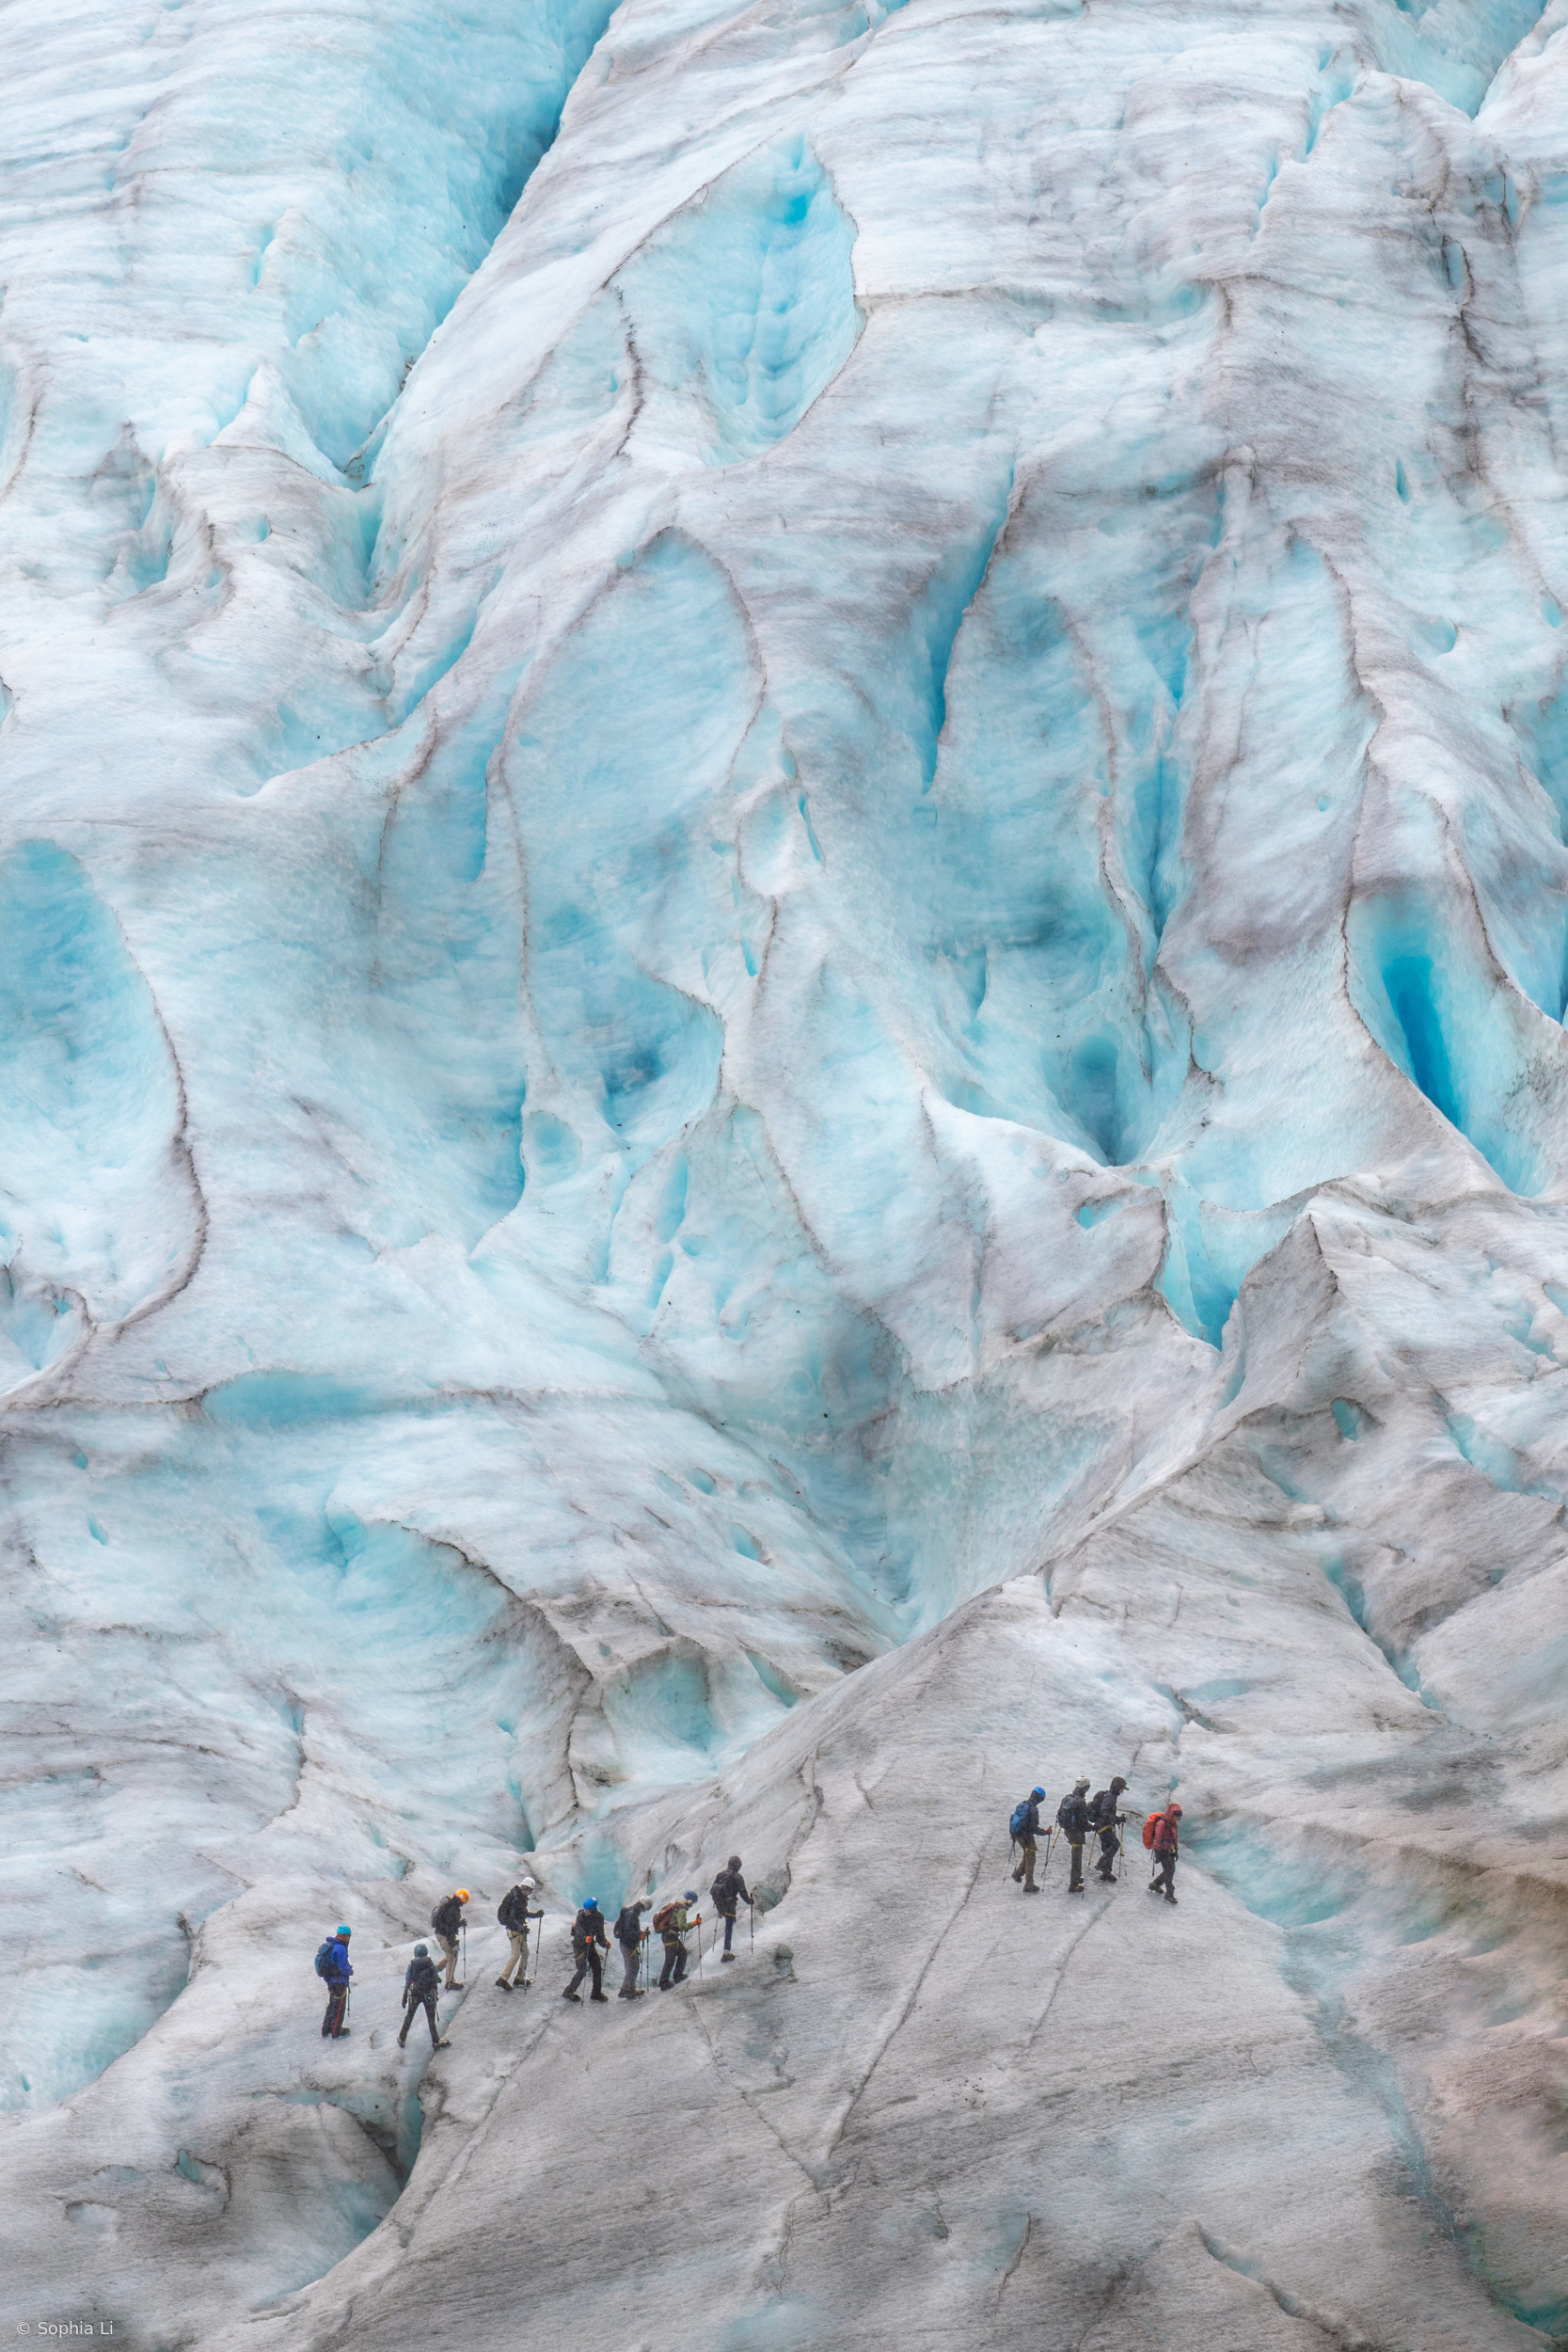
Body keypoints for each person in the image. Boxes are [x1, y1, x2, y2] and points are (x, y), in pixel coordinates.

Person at [495, 1876, 543, 1991]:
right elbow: (512, 1918)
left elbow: (522, 1914)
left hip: (517, 1930)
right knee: (516, 1955)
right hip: (514, 1931)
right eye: (530, 1890)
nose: (530, 1893)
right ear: (525, 1889)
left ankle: (519, 1978)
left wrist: (535, 1915)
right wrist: (521, 1929)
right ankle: (503, 1979)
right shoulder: (516, 1900)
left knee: (525, 1953)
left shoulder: (520, 1898)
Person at [399, 1944, 450, 2050]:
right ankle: (435, 2041)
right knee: (431, 2018)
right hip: (429, 1995)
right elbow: (435, 1979)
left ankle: (402, 2038)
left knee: (410, 2016)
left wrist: (404, 1995)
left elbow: (408, 1980)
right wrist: (435, 1992)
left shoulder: (412, 1965)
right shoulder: (430, 1965)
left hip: (415, 1994)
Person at [563, 1898, 610, 2002]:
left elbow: (600, 1935)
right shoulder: (581, 1916)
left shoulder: (599, 1918)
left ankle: (596, 1993)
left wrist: (604, 1943)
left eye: (587, 1910)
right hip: (579, 1946)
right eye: (585, 1909)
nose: (585, 1911)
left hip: (590, 1945)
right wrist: (585, 1939)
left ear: (593, 1910)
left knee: (597, 1968)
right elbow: (579, 1932)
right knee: (582, 1971)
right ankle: (568, 1992)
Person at [709, 1855, 752, 1959]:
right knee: (729, 1927)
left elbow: (713, 1890)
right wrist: (750, 1901)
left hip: (720, 1904)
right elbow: (743, 1893)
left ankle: (726, 1951)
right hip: (729, 1904)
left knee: (728, 1926)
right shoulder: (737, 1877)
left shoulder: (720, 1875)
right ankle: (726, 1953)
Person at [656, 1891, 699, 1989]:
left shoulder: (676, 1905)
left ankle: (677, 1976)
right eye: (693, 1902)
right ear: (690, 1900)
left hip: (669, 1935)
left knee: (682, 1953)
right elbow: (682, 1926)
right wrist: (695, 1923)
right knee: (670, 1960)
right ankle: (664, 1982)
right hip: (670, 1936)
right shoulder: (681, 1909)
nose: (692, 1905)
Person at [1089, 1777, 1129, 1882]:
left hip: (1101, 1826)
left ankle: (1106, 1872)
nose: (1122, 1791)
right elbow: (1105, 1812)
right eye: (1121, 1788)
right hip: (1104, 1826)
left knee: (1107, 1848)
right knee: (1115, 1845)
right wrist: (1117, 1819)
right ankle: (1102, 1864)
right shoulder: (1110, 1798)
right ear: (1117, 1787)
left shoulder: (1110, 1796)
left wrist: (1116, 1819)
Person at [316, 1925, 353, 2039]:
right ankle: (336, 2031)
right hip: (339, 1981)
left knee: (332, 2004)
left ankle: (326, 2029)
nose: (349, 1939)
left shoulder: (331, 1946)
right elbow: (343, 1967)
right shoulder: (340, 1948)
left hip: (331, 1981)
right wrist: (350, 1971)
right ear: (344, 1936)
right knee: (339, 2006)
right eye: (348, 1936)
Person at [1056, 1779, 1092, 1894]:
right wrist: (1091, 1827)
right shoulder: (1081, 1802)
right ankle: (1074, 1884)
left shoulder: (1067, 1798)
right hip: (1077, 1834)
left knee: (1075, 1856)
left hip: (1068, 1831)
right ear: (1085, 1788)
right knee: (1076, 1858)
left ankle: (1076, 1878)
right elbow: (1083, 1821)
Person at [430, 1888, 469, 1989]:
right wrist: (453, 1943)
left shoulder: (450, 1906)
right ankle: (449, 1982)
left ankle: (434, 1971)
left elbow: (450, 1924)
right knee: (452, 1957)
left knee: (451, 1955)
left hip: (441, 1933)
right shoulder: (453, 1909)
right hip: (444, 1935)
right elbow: (449, 1927)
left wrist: (460, 1923)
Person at [615, 1898, 652, 1997]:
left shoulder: (632, 1913)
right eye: (644, 1909)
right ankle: (625, 1990)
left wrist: (641, 1933)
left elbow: (631, 1929)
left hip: (628, 1944)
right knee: (631, 1968)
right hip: (627, 1944)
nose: (643, 1911)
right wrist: (639, 1936)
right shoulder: (632, 1914)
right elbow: (628, 1931)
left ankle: (630, 1989)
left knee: (634, 1966)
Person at [1011, 1788, 1046, 1893]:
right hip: (1026, 1835)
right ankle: (1029, 1884)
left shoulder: (1023, 1804)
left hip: (1017, 1834)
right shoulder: (1033, 1809)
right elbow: (1033, 1828)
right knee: (1031, 1858)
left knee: (1027, 1854)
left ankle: (1018, 1873)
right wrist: (1045, 1832)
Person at [1148, 1802, 1182, 1904]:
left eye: (1179, 1817)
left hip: (1169, 1849)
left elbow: (1174, 1838)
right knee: (1169, 1870)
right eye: (1176, 1816)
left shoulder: (1173, 1824)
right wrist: (1158, 1851)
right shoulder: (1162, 1823)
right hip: (1162, 1850)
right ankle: (1169, 1894)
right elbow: (1157, 1838)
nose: (1178, 1819)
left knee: (1170, 1870)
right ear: (1172, 1814)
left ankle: (1156, 1884)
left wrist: (1175, 1849)